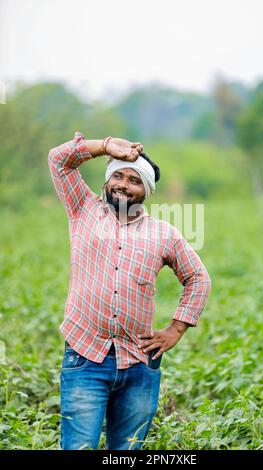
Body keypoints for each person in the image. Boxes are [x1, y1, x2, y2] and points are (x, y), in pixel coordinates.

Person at [48, 131, 211, 450]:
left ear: (146, 191)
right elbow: (59, 160)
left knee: (126, 451)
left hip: (139, 362)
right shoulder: (83, 209)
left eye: (134, 180)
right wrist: (106, 147)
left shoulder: (164, 234)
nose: (123, 184)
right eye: (118, 176)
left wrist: (177, 328)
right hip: (85, 355)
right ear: (107, 182)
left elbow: (198, 278)